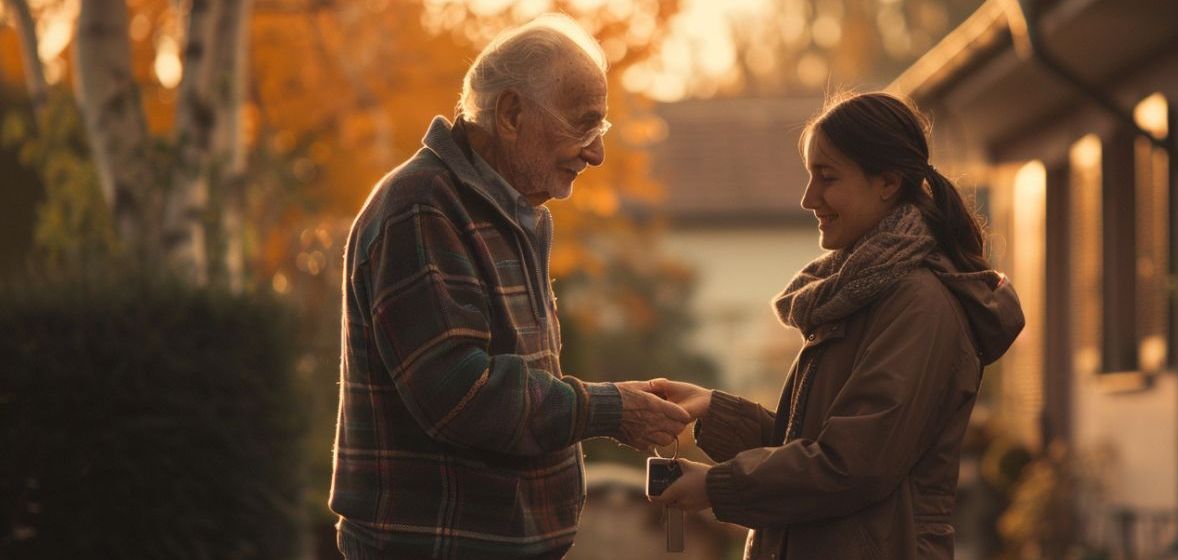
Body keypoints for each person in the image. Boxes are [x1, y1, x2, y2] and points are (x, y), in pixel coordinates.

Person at [329, 14, 690, 559]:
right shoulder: (422, 208)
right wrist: (608, 409)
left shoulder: (501, 211)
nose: (597, 154)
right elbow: (461, 395)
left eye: (602, 130)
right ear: (512, 113)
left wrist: (613, 406)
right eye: (584, 126)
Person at [649, 91, 1026, 559]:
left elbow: (852, 465)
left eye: (827, 179)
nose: (809, 199)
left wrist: (717, 485)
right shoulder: (865, 292)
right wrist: (713, 410)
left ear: (887, 182)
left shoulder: (920, 306)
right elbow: (813, 446)